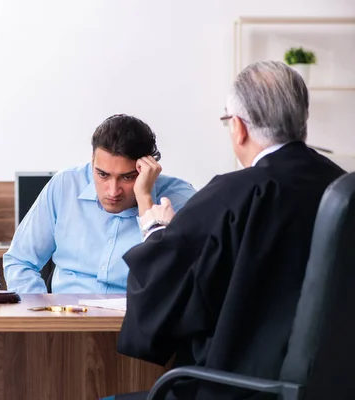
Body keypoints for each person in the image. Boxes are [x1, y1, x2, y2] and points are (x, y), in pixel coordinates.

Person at [114, 61, 346, 400]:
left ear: (238, 127)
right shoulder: (343, 188)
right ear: (302, 120)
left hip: (236, 389)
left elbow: (165, 295)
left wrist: (155, 227)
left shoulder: (233, 194)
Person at [3, 114, 195, 294]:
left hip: (138, 323)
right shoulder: (65, 184)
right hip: (67, 321)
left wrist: (145, 199)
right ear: (92, 160)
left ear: (147, 168)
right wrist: (42, 316)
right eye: (102, 174)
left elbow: (176, 282)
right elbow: (20, 260)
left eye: (127, 177)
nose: (113, 191)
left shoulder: (178, 199)